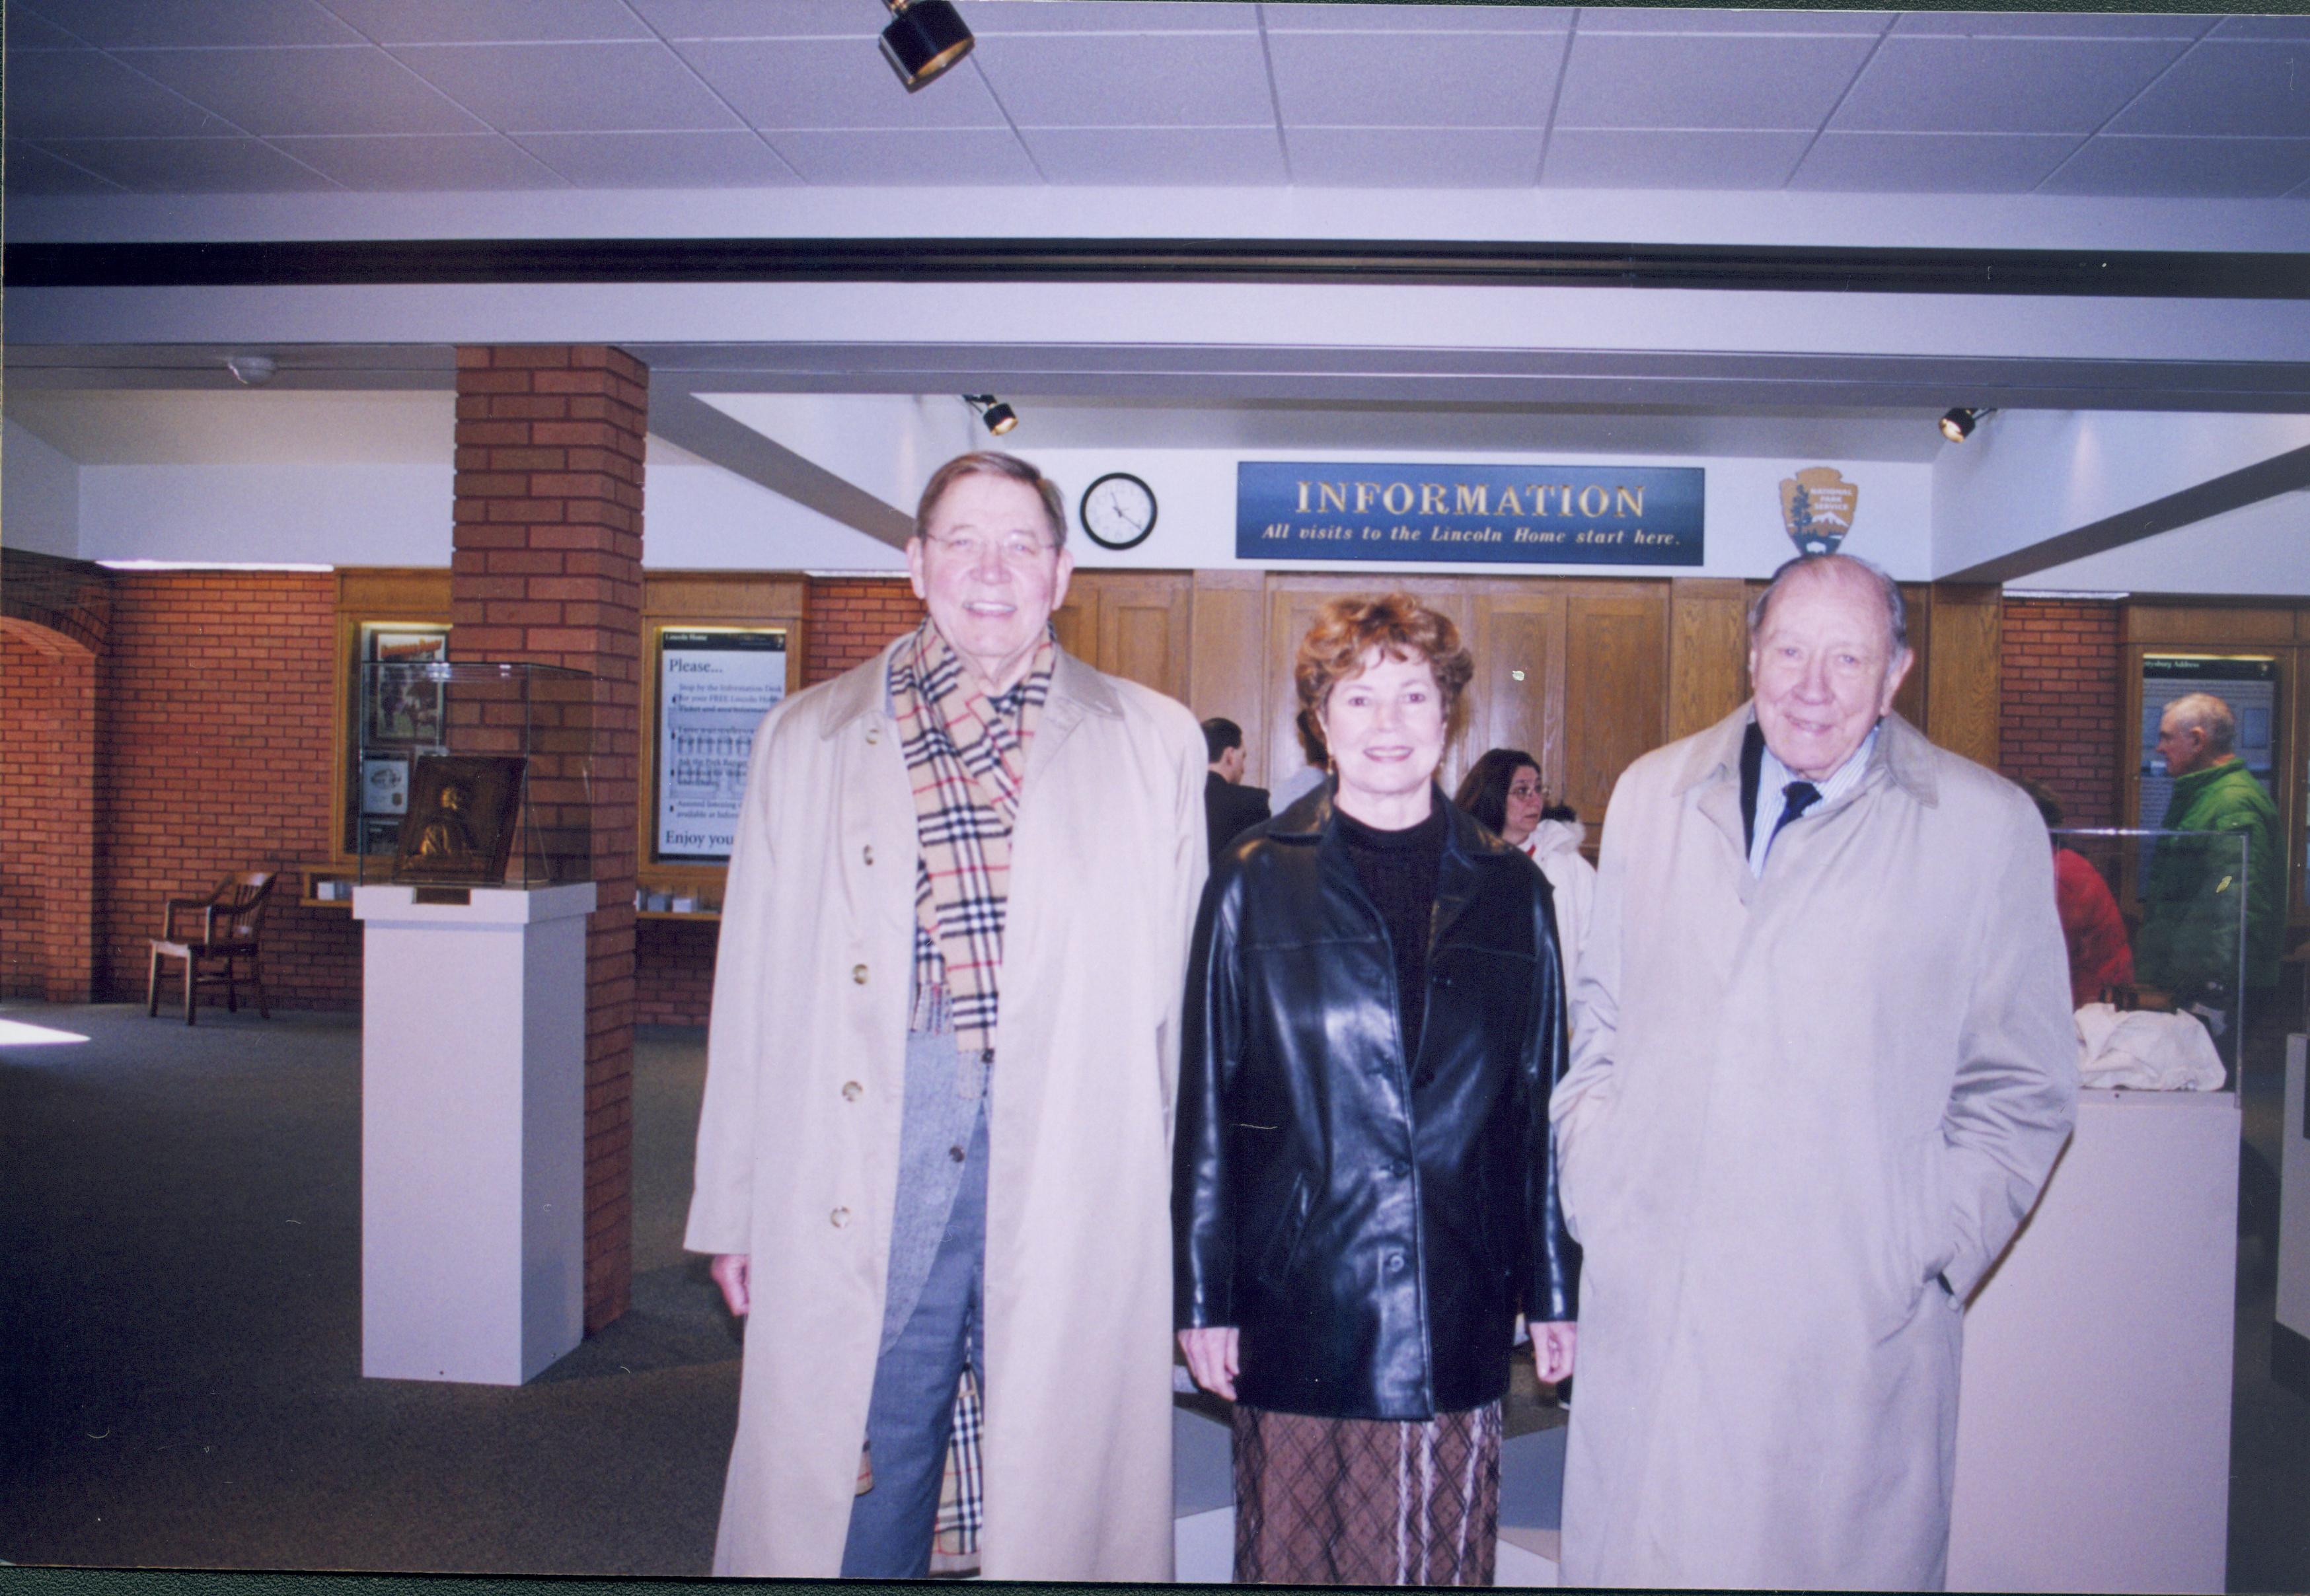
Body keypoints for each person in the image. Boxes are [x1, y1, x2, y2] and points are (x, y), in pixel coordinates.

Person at [686, 451, 1207, 1579]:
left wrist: (1185, 1225)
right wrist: (732, 1203)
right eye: (961, 542)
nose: (991, 570)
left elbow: (1181, 1017)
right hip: (868, 1151)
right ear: (915, 566)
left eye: (1020, 544)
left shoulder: (1153, 742)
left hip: (1074, 1154)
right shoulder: (807, 737)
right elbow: (754, 984)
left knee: (1058, 1487)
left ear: (1061, 573)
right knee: (864, 1464)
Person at [1552, 552, 2075, 1590]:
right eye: (1789, 650)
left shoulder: (1982, 827)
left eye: (1849, 658)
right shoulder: (1656, 794)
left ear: (1896, 675)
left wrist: (1920, 1245)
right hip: (1660, 1298)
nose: (1812, 686)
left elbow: (2022, 1085)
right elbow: (1599, 1018)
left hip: (1843, 1329)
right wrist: (1598, 1179)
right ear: (1751, 654)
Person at [1175, 592, 1579, 1587]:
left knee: (1436, 1560)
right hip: (1297, 1290)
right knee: (1290, 1558)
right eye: (1359, 700)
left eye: (1413, 696)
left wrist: (1558, 1286)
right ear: (1320, 722)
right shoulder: (1255, 878)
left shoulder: (1514, 892)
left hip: (1457, 1287)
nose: (1388, 726)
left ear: (1449, 716)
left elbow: (1540, 1106)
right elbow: (1210, 1106)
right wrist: (1201, 1296)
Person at [2135, 690, 2284, 1011]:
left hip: (2210, 987)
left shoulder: (2230, 801)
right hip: (2194, 976)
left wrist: (2212, 984)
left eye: (2166, 738)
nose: (2159, 748)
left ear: (2198, 741)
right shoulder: (2209, 796)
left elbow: (2232, 885)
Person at [1455, 748, 1597, 980]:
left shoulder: (1568, 864)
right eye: (1522, 791)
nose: (1536, 801)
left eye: (1538, 789)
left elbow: (1595, 950)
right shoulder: (1463, 865)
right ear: (1495, 796)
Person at [2023, 780, 2133, 1008]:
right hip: (2087, 995)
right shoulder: (2054, 865)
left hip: (2090, 1004)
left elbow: (2038, 959)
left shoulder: (2058, 876)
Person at [1202, 716, 1271, 862]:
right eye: (1243, 757)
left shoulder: (1176, 801)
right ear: (1230, 755)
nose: (1243, 769)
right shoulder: (1254, 802)